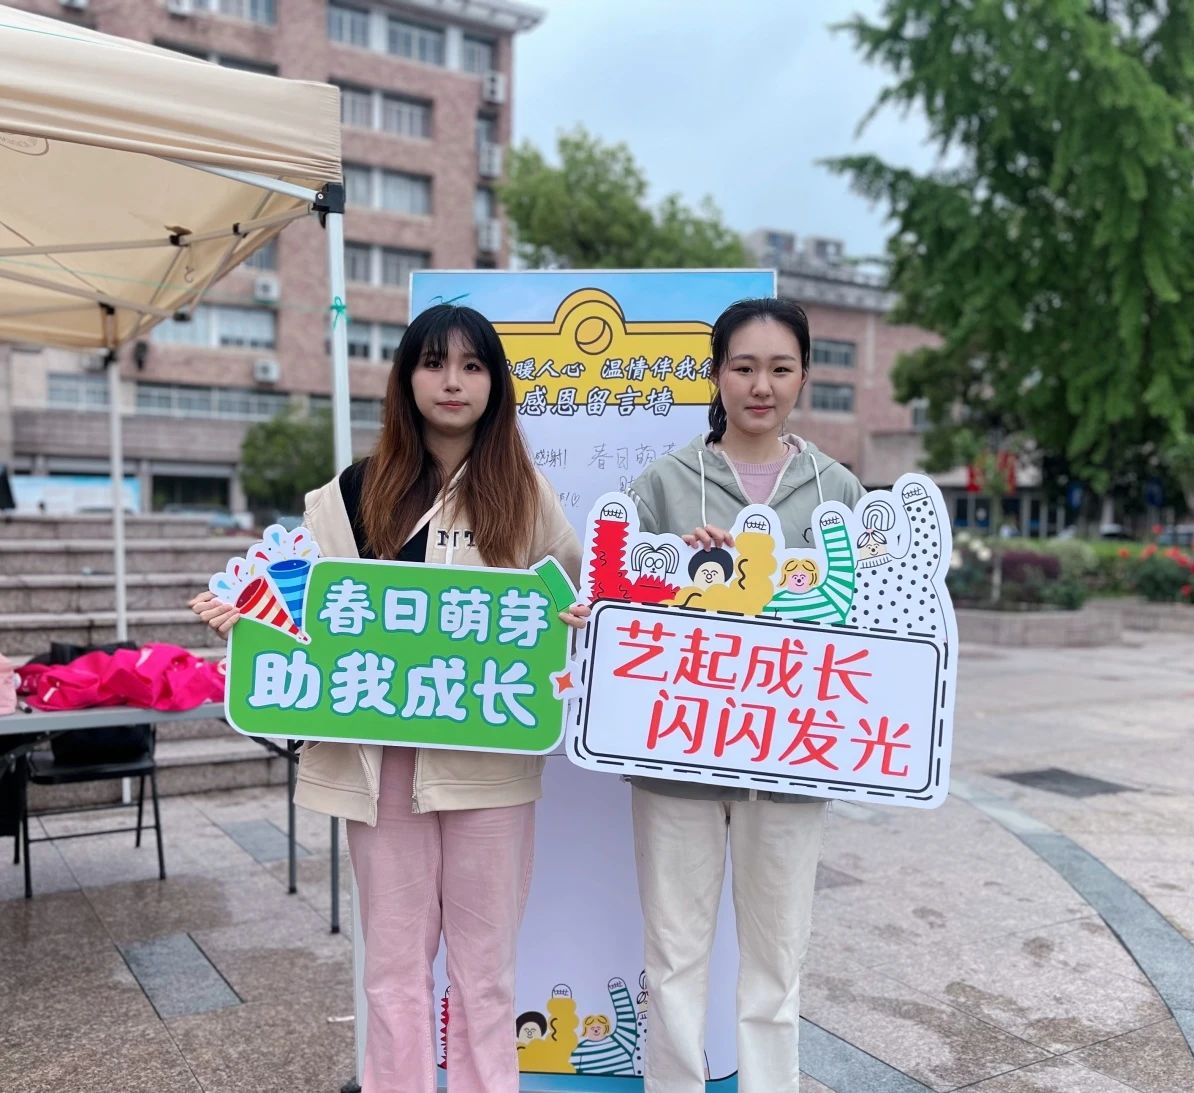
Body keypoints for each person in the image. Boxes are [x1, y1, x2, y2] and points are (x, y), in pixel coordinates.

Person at [191, 303, 586, 1093]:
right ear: (406, 377)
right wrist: (249, 617)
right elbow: (306, 614)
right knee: (393, 970)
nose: (452, 381)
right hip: (380, 768)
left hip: (489, 765)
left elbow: (564, 600)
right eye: (434, 363)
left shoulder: (527, 494)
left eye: (472, 365)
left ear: (495, 384)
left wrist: (575, 613)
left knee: (485, 974)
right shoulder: (349, 493)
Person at [626, 297, 865, 1093]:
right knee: (673, 958)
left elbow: (866, 624)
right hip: (676, 758)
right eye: (744, 366)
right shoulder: (664, 483)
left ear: (804, 375)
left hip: (791, 763)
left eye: (780, 367)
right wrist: (672, 568)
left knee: (776, 963)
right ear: (717, 374)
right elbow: (620, 600)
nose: (761, 385)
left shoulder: (838, 490)